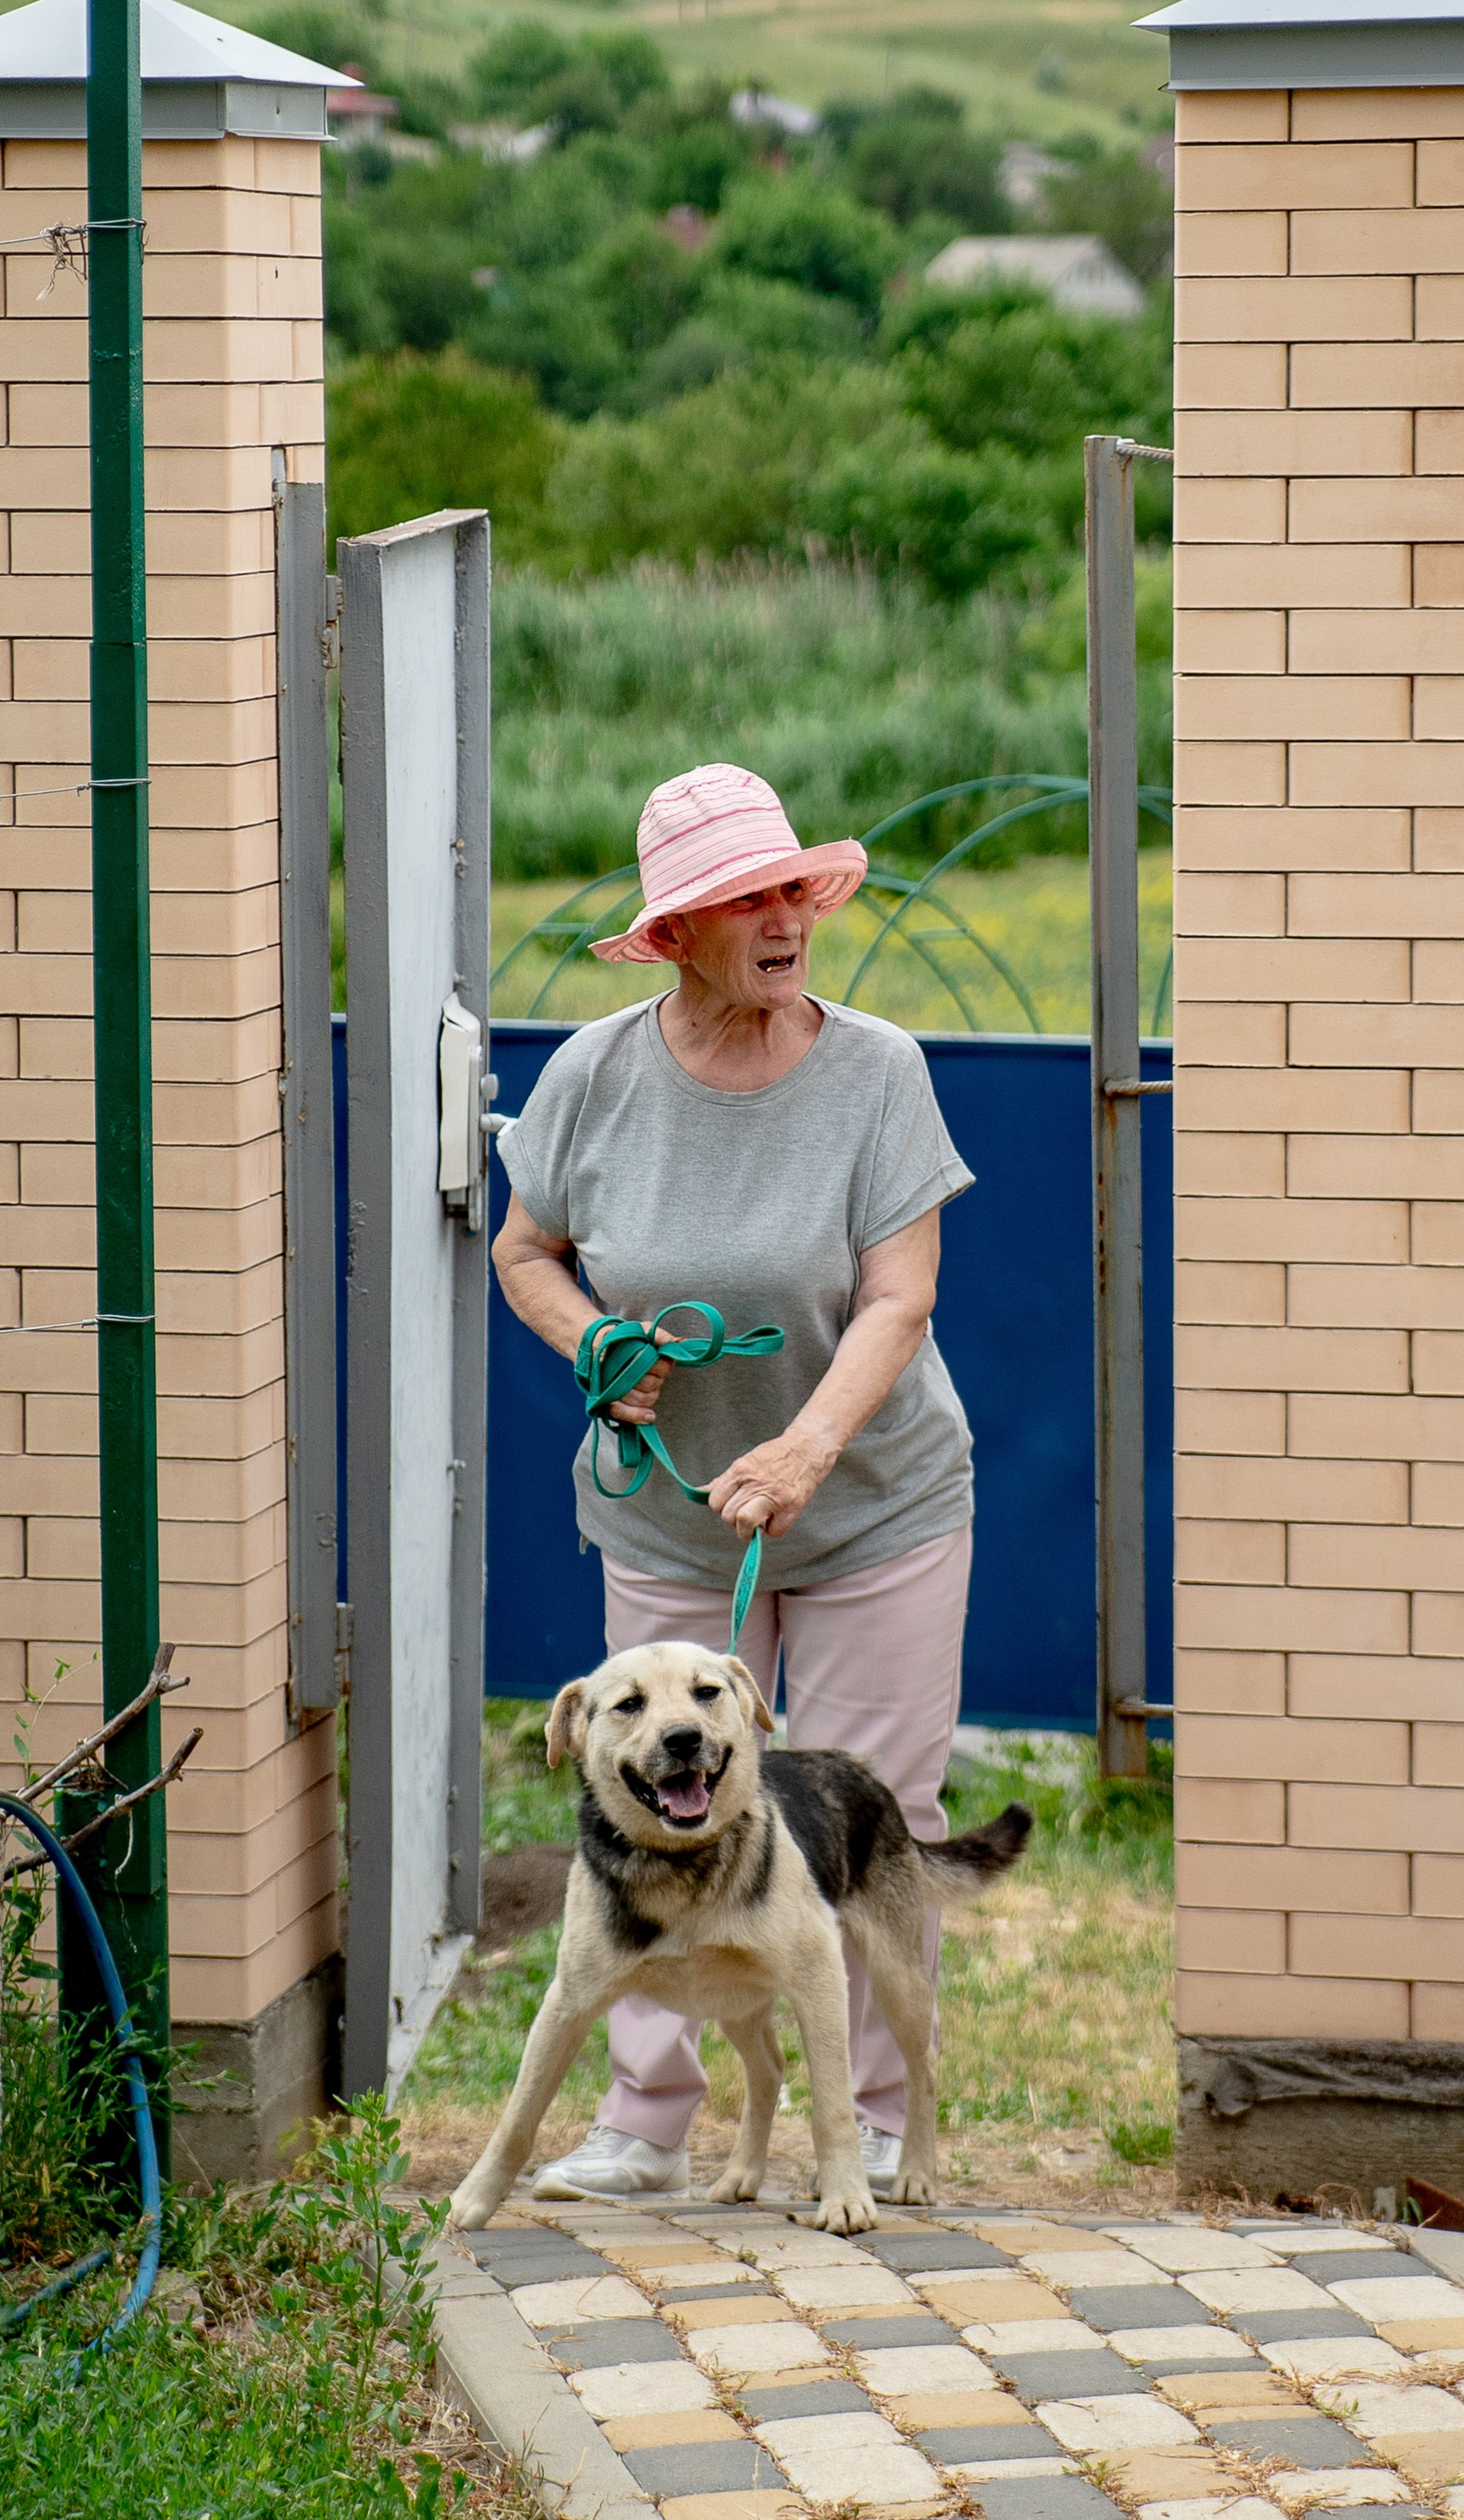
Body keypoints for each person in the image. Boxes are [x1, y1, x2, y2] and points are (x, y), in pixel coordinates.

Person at [493, 760, 978, 2201]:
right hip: (667, 1511)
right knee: (648, 1802)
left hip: (876, 1502)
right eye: (743, 898)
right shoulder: (594, 1075)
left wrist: (807, 1446)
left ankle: (875, 2114)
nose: (783, 918)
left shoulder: (879, 1068)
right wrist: (596, 1344)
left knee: (877, 1810)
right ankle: (646, 2117)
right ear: (676, 931)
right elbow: (527, 1249)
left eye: (793, 890)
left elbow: (901, 1295)